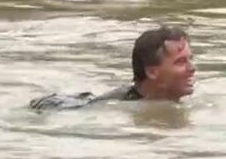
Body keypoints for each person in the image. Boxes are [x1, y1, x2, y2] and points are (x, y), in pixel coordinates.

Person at [28, 25, 197, 111]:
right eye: (181, 62)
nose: (193, 68)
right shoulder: (118, 108)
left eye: (191, 59)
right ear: (152, 72)